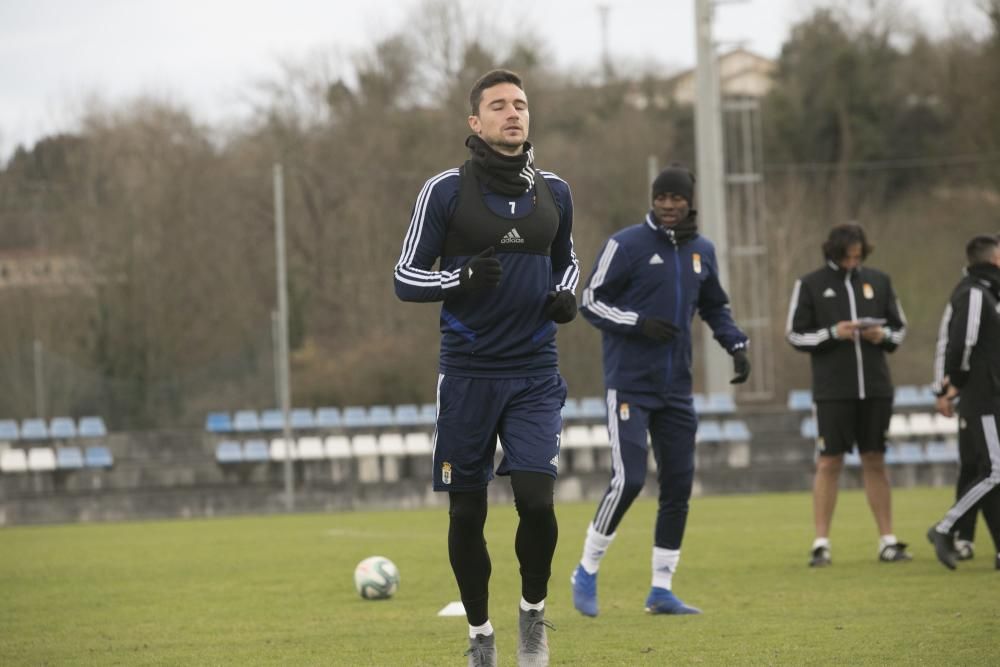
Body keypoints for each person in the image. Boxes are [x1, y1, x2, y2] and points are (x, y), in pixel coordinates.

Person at [393, 69, 578, 667]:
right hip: (468, 374)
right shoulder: (444, 192)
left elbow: (567, 262)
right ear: (476, 122)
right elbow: (405, 277)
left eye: (520, 104)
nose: (512, 113)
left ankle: (531, 617)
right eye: (498, 105)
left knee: (537, 499)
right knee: (467, 511)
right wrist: (461, 277)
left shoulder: (556, 192)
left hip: (534, 372)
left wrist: (566, 295)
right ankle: (480, 634)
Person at [569, 164, 751, 617]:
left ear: (690, 201)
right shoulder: (626, 244)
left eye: (677, 198)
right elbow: (589, 300)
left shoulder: (701, 251)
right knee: (629, 479)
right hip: (629, 384)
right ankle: (586, 569)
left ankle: (661, 588)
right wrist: (638, 323)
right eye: (661, 198)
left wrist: (737, 344)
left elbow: (715, 306)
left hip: (676, 390)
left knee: (678, 485)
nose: (669, 205)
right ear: (652, 199)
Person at [785, 223, 912, 567]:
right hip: (832, 391)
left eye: (858, 256)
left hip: (875, 387)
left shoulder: (880, 281)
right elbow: (795, 336)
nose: (853, 262)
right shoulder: (810, 284)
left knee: (875, 459)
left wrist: (879, 335)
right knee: (829, 462)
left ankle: (887, 540)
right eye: (848, 256)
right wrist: (833, 333)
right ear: (834, 252)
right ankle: (821, 543)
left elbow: (899, 331)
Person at [927, 234, 1000, 571]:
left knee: (991, 471)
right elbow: (961, 343)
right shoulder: (972, 292)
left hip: (988, 396)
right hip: (983, 398)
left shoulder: (984, 291)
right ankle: (945, 528)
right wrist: (953, 383)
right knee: (994, 472)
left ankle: (948, 530)